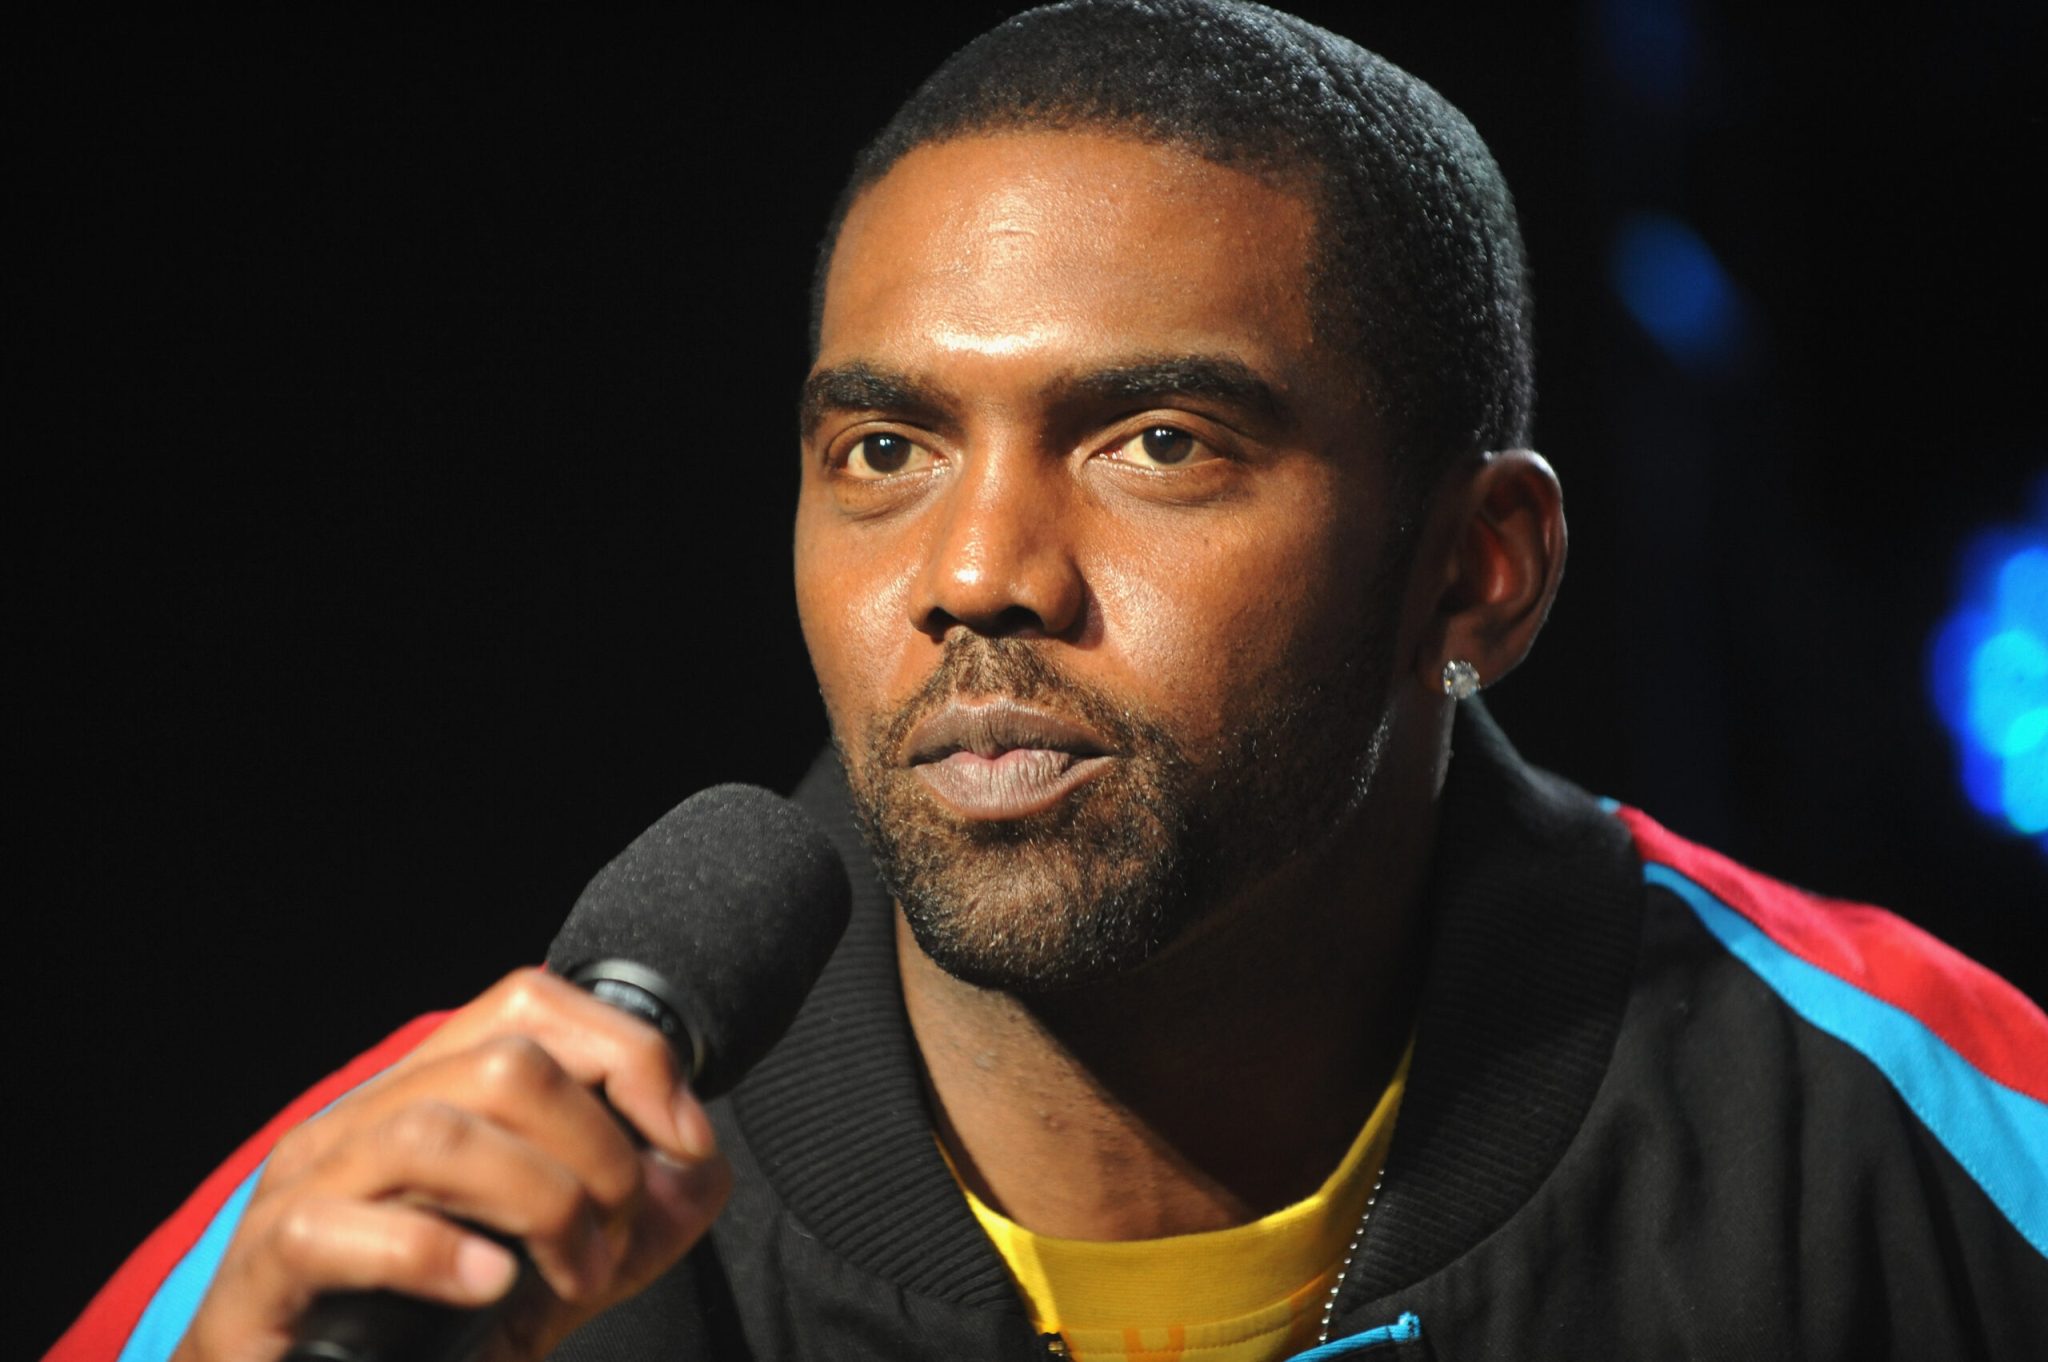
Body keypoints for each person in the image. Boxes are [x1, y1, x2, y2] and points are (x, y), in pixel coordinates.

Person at [56, 3, 2047, 1360]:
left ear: (1479, 569)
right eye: (884, 450)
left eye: (1157, 441)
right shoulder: (396, 1240)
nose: (974, 575)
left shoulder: (1932, 1130)